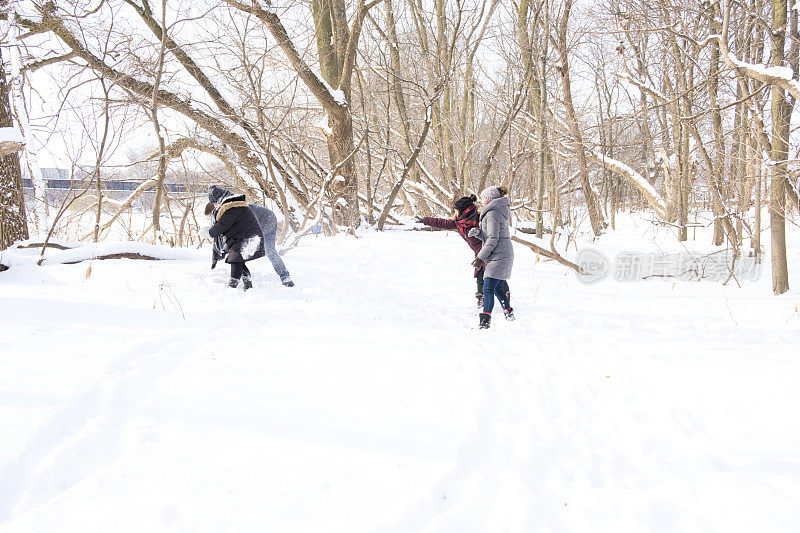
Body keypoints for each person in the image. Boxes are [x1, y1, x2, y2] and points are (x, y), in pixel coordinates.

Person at [207, 185, 294, 287]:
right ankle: (248, 278)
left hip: (267, 221)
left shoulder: (234, 207)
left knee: (267, 251)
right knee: (241, 249)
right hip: (265, 219)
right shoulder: (230, 205)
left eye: (214, 203)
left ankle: (285, 277)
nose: (214, 205)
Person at [415, 194, 488, 307]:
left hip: (488, 252)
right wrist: (425, 220)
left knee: (495, 276)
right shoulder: (460, 223)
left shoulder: (479, 219)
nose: (455, 213)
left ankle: (505, 301)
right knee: (479, 275)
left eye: (457, 210)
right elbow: (443, 223)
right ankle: (481, 301)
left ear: (463, 210)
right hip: (478, 254)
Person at [469, 185, 514, 329]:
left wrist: (480, 257)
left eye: (482, 198)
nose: (481, 201)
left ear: (489, 200)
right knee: (497, 289)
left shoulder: (492, 214)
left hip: (499, 255)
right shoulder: (493, 212)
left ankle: (485, 321)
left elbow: (493, 239)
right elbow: (490, 236)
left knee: (488, 287)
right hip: (501, 253)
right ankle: (509, 313)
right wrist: (478, 232)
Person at [202, 189, 266, 290]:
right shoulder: (232, 206)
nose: (214, 205)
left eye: (214, 202)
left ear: (219, 199)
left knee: (235, 261)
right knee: (239, 261)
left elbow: (222, 225)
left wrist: (209, 232)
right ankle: (248, 285)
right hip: (243, 237)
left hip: (246, 238)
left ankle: (232, 287)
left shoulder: (231, 208)